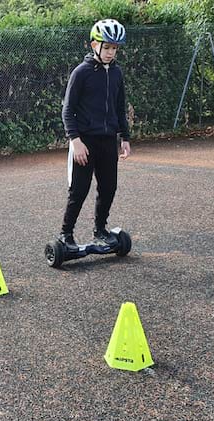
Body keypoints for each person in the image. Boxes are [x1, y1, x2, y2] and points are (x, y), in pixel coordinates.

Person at [58, 19, 131, 251]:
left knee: (109, 187)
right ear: (94, 45)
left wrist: (125, 138)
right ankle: (65, 235)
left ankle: (100, 230)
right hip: (84, 142)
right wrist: (75, 140)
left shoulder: (117, 73)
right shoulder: (81, 73)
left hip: (108, 140)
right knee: (79, 190)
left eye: (115, 48)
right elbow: (68, 110)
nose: (111, 52)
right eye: (107, 47)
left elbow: (120, 107)